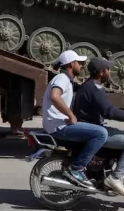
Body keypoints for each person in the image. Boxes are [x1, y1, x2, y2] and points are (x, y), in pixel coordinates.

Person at [73, 57, 124, 197]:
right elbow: (109, 112)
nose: (110, 72)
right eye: (108, 69)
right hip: (94, 130)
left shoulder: (90, 85)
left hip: (93, 126)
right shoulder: (94, 89)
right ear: (101, 72)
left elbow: (107, 109)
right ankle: (116, 178)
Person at [41, 49, 108, 190]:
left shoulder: (66, 80)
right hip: (58, 126)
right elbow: (55, 96)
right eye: (80, 63)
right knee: (101, 133)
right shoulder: (62, 78)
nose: (82, 66)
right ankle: (77, 168)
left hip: (58, 124)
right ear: (72, 64)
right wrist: (70, 115)